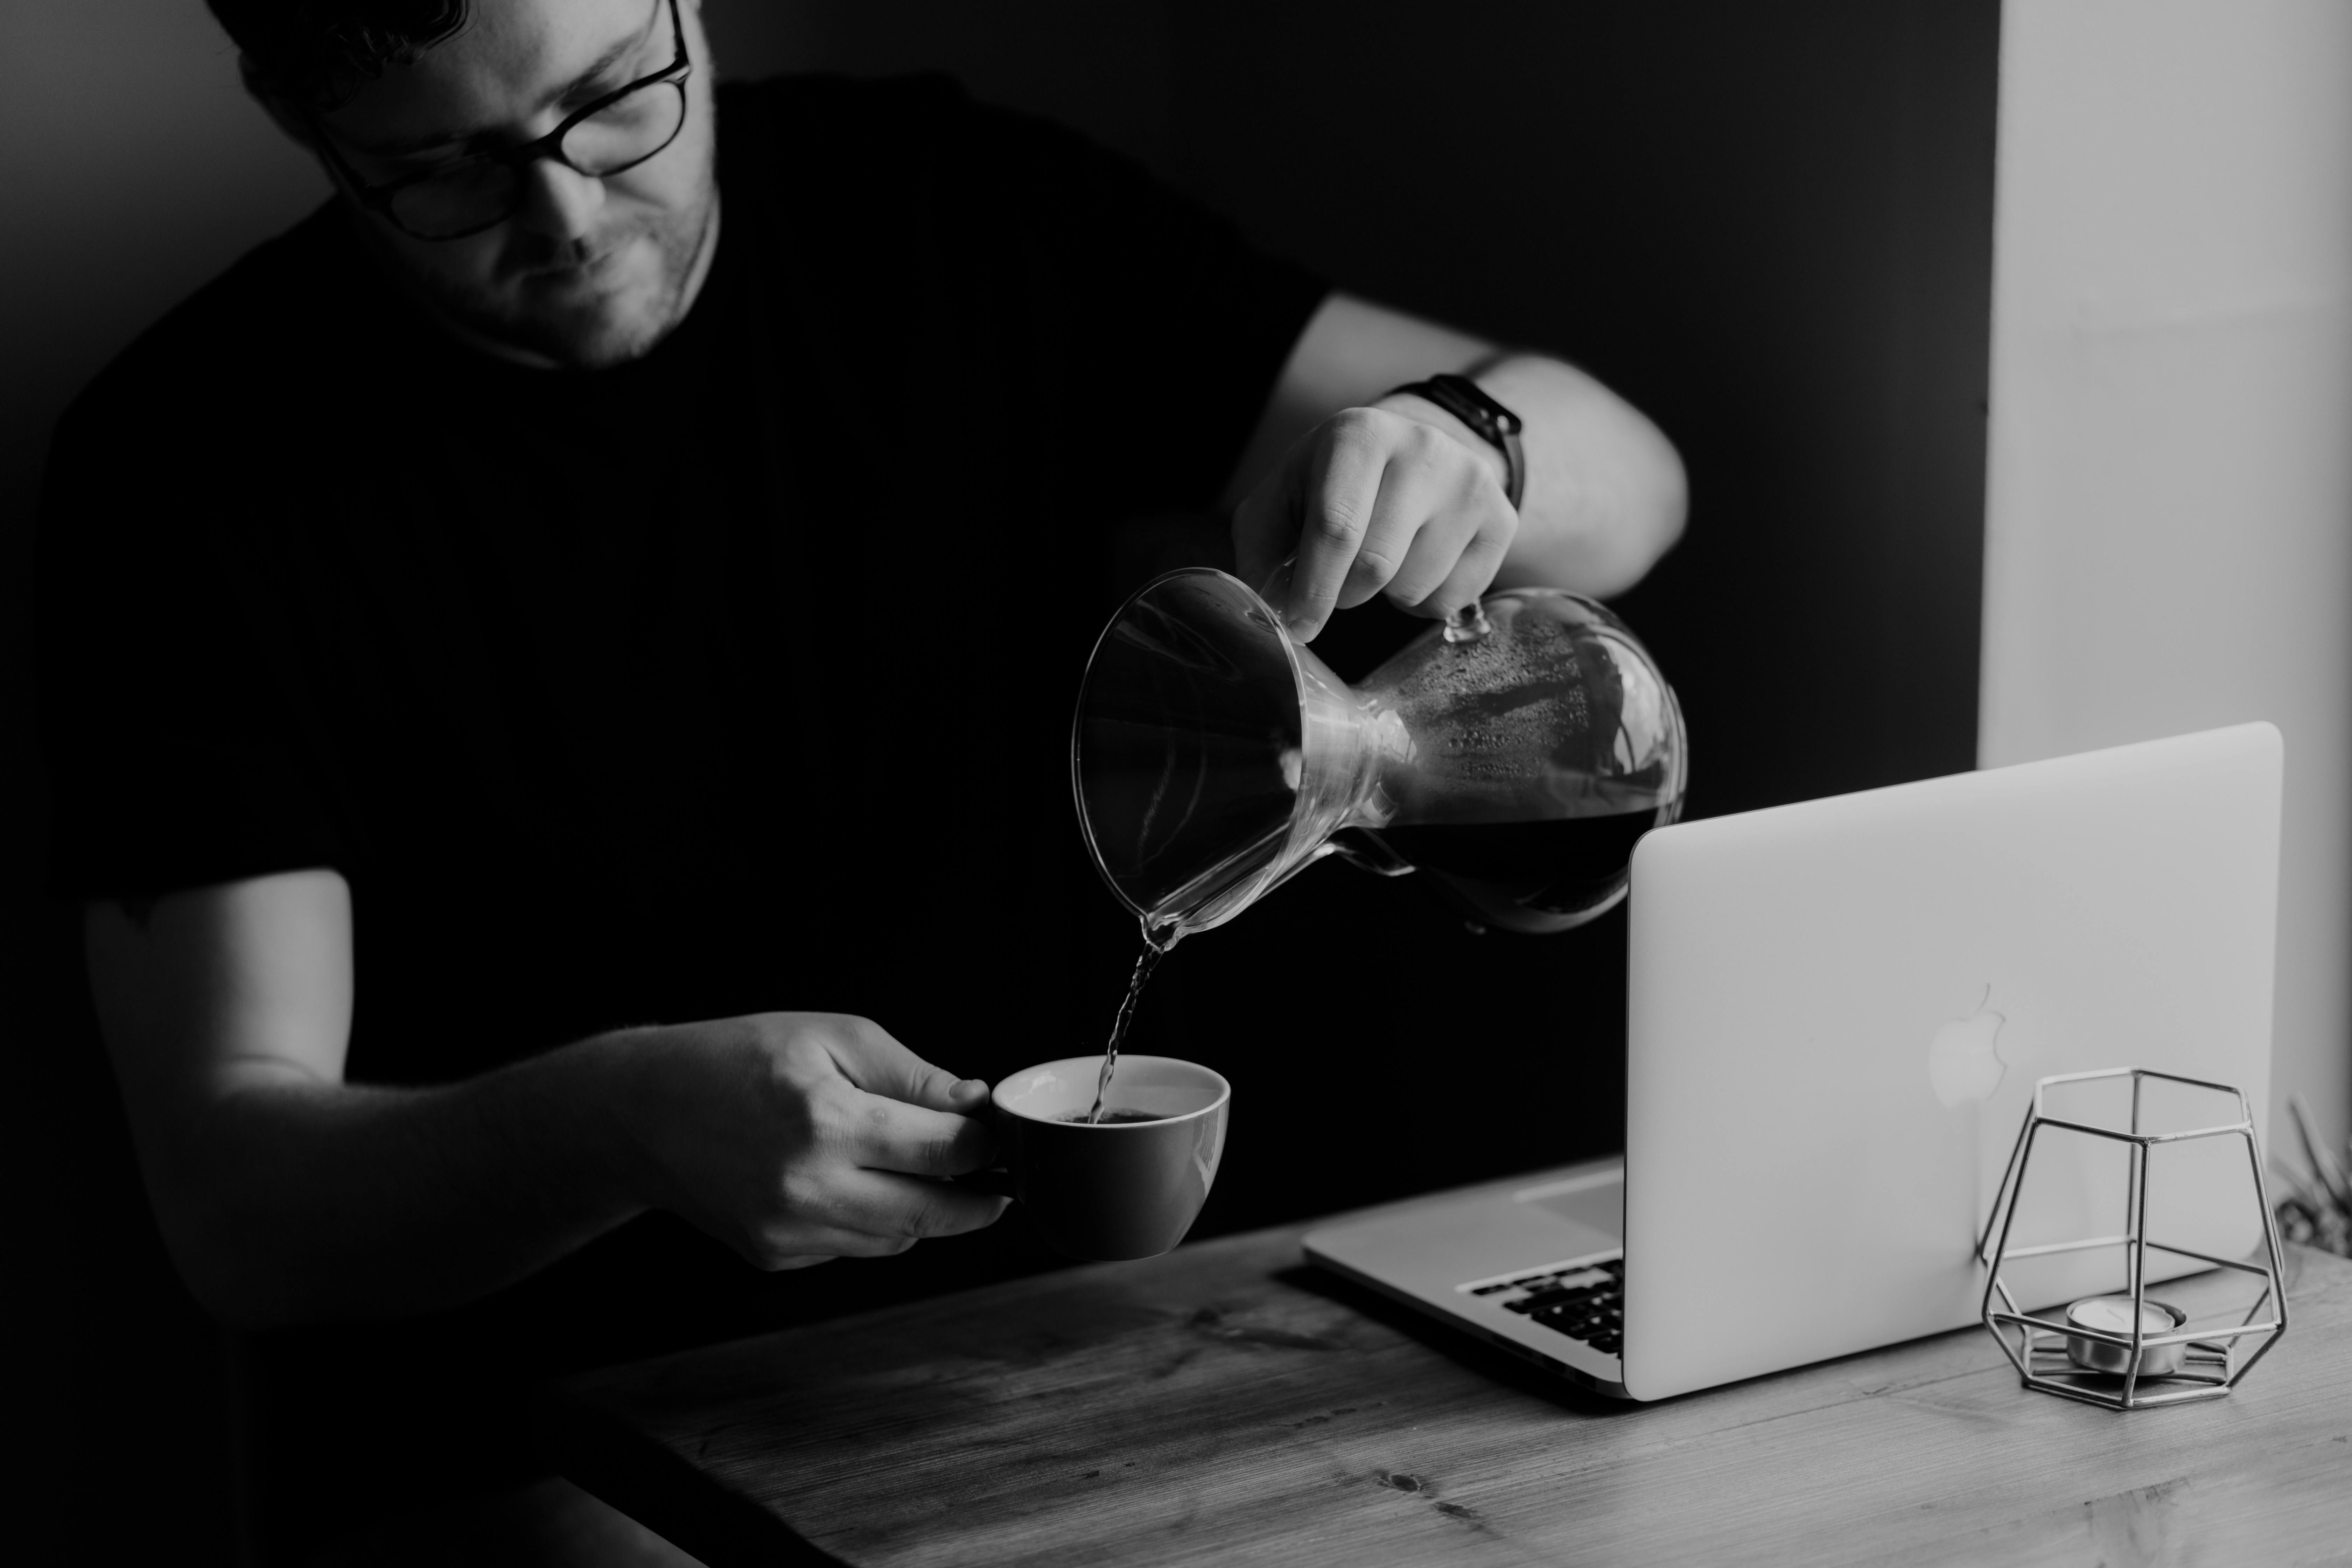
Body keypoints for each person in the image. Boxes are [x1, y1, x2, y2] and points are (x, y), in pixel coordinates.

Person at [36, 0, 1685, 1559]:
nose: (568, 215)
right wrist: (616, 1126)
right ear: (302, 123)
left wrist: (1464, 441)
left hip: (1069, 1398)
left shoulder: (946, 213)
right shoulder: (186, 473)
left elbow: (1632, 490)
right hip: (533, 1469)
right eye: (445, 168)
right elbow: (240, 1202)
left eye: (616, 95)